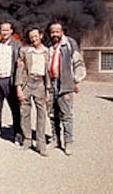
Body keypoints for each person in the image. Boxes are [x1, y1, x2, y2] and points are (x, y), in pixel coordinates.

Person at [47, 22, 86, 156]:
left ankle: (68, 141)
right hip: (51, 83)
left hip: (65, 83)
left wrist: (76, 80)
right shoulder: (50, 46)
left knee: (66, 114)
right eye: (52, 32)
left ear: (62, 31)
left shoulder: (69, 43)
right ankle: (55, 139)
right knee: (52, 114)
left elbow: (78, 62)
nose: (55, 34)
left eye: (57, 31)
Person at [15, 27, 51, 157]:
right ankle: (27, 140)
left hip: (40, 83)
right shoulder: (25, 51)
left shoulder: (47, 52)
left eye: (36, 36)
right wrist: (18, 87)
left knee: (41, 114)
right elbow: (20, 70)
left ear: (41, 36)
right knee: (24, 112)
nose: (34, 39)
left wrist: (48, 90)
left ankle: (41, 144)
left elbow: (48, 73)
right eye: (31, 37)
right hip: (27, 83)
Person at [0, 21, 23, 145]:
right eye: (3, 30)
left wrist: (19, 82)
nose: (5, 32)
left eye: (7, 30)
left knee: (15, 108)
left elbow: (20, 64)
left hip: (10, 80)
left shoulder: (17, 45)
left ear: (12, 31)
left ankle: (18, 133)